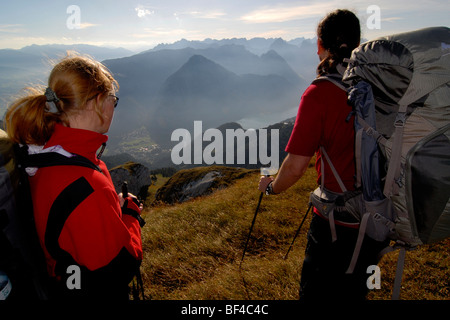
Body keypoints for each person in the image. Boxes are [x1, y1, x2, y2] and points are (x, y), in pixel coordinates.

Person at [259, 9, 388, 300]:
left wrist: (271, 189)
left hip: (336, 224)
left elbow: (294, 168)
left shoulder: (319, 93)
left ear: (320, 44)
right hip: (377, 216)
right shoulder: (378, 87)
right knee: (355, 292)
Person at [4, 53, 143, 299]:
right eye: (113, 99)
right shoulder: (87, 185)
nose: (114, 106)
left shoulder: (41, 153)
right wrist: (131, 215)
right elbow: (119, 270)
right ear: (99, 102)